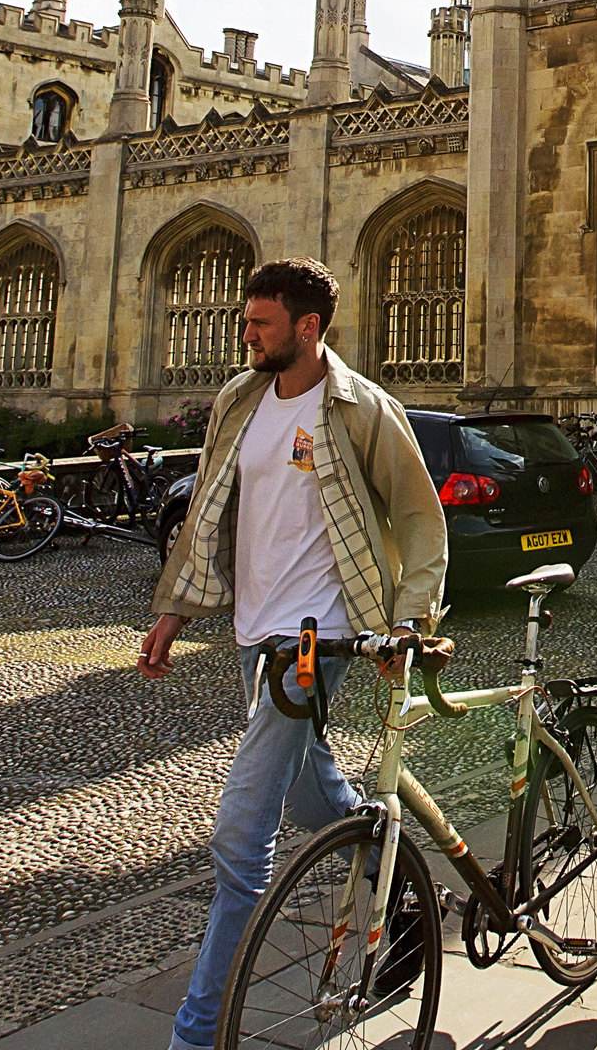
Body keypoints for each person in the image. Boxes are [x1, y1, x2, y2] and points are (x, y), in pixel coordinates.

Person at [138, 256, 448, 1050]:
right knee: (314, 803)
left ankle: (196, 1033)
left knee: (241, 836)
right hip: (252, 629)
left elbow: (419, 520)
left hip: (317, 636)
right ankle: (391, 867)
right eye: (247, 321)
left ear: (308, 328)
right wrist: (175, 612)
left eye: (261, 324)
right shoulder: (239, 400)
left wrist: (407, 623)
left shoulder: (358, 409)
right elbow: (209, 512)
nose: (246, 334)